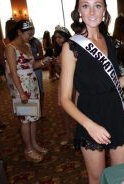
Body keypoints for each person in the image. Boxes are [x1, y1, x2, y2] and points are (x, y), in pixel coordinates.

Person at [59, 0, 124, 183]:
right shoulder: (71, 47)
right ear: (78, 12)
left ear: (104, 10)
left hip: (115, 112)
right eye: (86, 6)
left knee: (121, 175)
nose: (92, 12)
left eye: (97, 6)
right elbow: (64, 99)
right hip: (90, 115)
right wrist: (89, 125)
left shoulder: (110, 42)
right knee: (98, 178)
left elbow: (114, 83)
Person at [5, 20, 50, 163]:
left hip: (32, 86)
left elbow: (32, 65)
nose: (31, 36)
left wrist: (43, 62)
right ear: (19, 32)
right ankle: (28, 149)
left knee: (34, 117)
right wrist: (21, 92)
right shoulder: (10, 48)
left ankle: (34, 144)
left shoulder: (27, 45)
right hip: (21, 89)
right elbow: (13, 72)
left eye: (32, 33)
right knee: (25, 120)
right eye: (28, 33)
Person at [53, 25, 73, 145]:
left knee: (77, 109)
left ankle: (80, 134)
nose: (57, 40)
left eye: (60, 37)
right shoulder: (59, 51)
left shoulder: (72, 48)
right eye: (56, 38)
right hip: (63, 83)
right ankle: (68, 134)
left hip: (74, 83)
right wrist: (56, 65)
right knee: (63, 111)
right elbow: (59, 73)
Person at [29, 27, 45, 116]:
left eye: (33, 30)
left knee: (40, 89)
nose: (32, 32)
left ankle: (42, 109)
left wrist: (31, 60)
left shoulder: (36, 42)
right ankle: (33, 111)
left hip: (37, 68)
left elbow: (41, 55)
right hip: (26, 70)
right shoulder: (22, 42)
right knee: (30, 91)